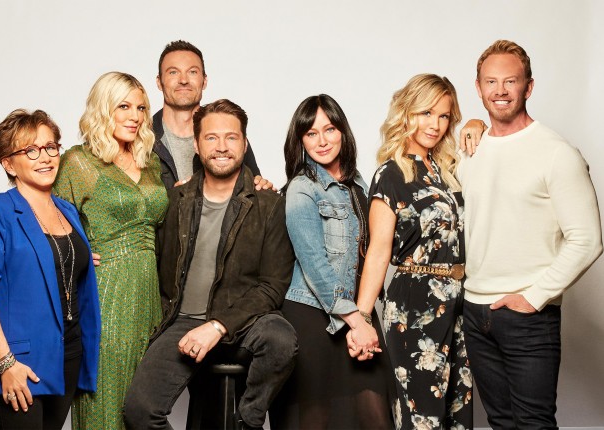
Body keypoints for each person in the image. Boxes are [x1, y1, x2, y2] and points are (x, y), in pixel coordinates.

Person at [123, 99, 297, 430]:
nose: (221, 147)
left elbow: (272, 287)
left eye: (231, 137)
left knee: (281, 339)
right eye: (211, 137)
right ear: (197, 145)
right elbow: (150, 254)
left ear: (244, 144)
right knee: (140, 411)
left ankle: (247, 421)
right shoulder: (176, 200)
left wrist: (217, 325)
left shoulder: (270, 205)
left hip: (245, 320)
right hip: (182, 321)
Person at [457, 40, 603, 429]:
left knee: (533, 424)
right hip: (474, 311)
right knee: (500, 422)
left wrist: (535, 297)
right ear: (478, 88)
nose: (500, 91)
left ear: (529, 87)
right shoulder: (469, 149)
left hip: (528, 316)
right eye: (491, 82)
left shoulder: (556, 153)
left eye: (511, 81)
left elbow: (588, 238)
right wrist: (470, 124)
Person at [0, 109, 101, 429]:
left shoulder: (67, 210)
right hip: (18, 361)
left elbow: (53, 262)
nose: (45, 157)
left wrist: (79, 259)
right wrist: (6, 363)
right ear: (9, 164)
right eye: (31, 150)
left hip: (68, 353)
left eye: (50, 146)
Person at [350, 74, 473, 429]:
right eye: (426, 113)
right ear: (406, 113)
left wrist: (478, 125)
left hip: (460, 304)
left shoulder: (450, 170)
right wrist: (361, 318)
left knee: (458, 413)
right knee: (422, 417)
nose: (435, 124)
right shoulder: (391, 174)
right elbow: (377, 251)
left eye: (444, 116)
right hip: (414, 304)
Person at [269, 94, 393, 430]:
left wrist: (362, 317)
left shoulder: (359, 183)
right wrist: (356, 322)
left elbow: (374, 249)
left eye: (329, 129)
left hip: (357, 312)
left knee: (376, 417)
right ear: (300, 140)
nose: (322, 141)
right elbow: (314, 264)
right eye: (311, 133)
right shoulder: (302, 188)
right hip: (312, 316)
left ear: (342, 132)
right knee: (317, 419)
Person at [53, 72, 169, 429]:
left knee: (142, 406)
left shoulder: (151, 162)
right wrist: (77, 254)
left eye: (141, 108)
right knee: (105, 398)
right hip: (106, 294)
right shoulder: (78, 162)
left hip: (149, 295)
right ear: (104, 109)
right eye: (124, 106)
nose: (135, 116)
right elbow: (47, 223)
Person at [153, 40, 270, 189]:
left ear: (204, 81)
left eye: (192, 72)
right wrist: (174, 198)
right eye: (173, 72)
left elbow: (252, 189)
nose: (183, 80)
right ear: (159, 82)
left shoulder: (228, 133)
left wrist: (262, 187)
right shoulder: (143, 137)